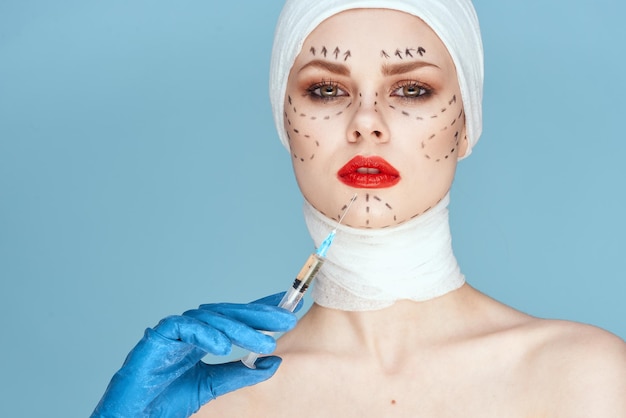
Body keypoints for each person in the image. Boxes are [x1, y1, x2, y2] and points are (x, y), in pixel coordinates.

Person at [91, 0, 626, 416]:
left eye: (413, 89)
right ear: (284, 121)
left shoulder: (585, 379)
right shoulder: (215, 403)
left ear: (467, 124)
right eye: (325, 90)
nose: (366, 121)